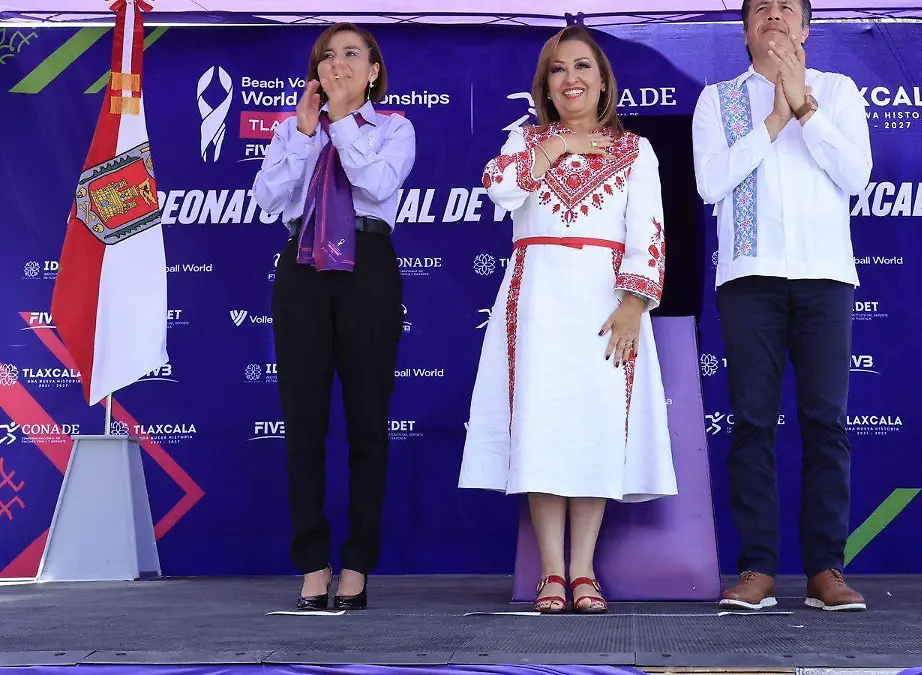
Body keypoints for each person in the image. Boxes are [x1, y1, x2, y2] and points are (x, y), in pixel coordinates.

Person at [459, 25, 677, 614]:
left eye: (583, 67)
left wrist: (635, 302)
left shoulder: (636, 151)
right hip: (536, 300)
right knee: (543, 427)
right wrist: (551, 149)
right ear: (546, 86)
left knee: (594, 429)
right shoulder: (523, 141)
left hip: (606, 304)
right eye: (559, 70)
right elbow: (500, 188)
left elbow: (649, 231)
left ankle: (584, 570)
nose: (572, 78)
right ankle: (551, 574)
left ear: (604, 82)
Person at [691, 0, 872, 612]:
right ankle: (758, 569)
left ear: (806, 28)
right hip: (750, 280)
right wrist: (771, 120)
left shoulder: (839, 91)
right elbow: (710, 183)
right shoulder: (717, 99)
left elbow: (857, 175)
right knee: (752, 424)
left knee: (826, 423)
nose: (773, 14)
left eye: (786, 7)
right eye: (760, 7)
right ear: (744, 29)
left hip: (825, 279)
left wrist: (805, 107)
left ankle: (825, 569)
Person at [251, 22, 416, 611]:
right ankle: (312, 561)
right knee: (303, 425)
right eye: (328, 56)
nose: (339, 63)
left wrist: (344, 121)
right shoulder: (293, 130)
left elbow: (375, 184)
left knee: (369, 423)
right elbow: (268, 199)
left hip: (366, 267)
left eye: (352, 54)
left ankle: (358, 564)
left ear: (373, 71)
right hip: (300, 269)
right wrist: (302, 133)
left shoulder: (395, 128)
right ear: (315, 71)